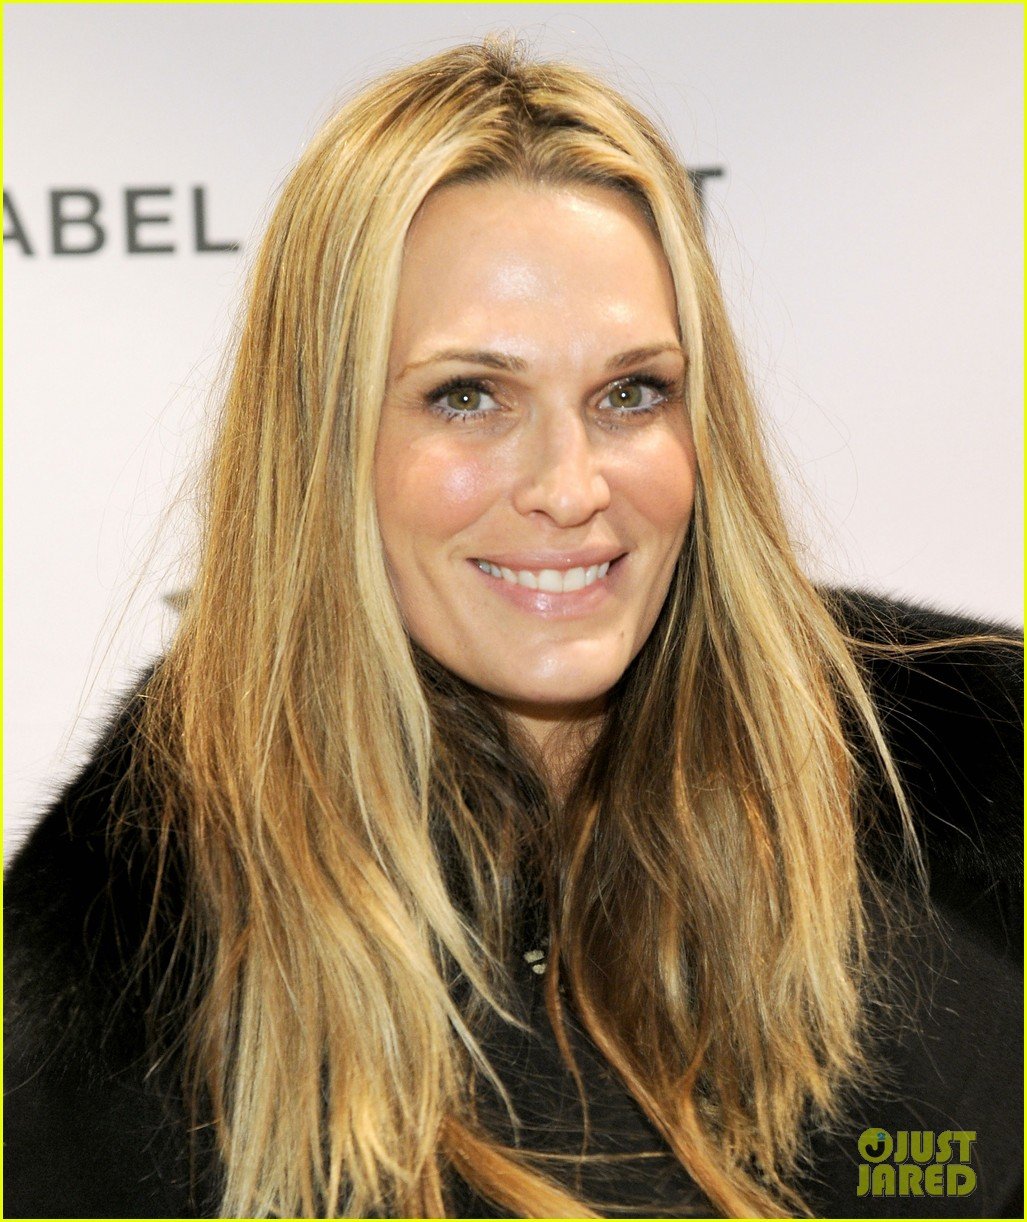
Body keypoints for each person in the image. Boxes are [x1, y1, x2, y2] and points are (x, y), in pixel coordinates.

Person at [4, 36, 1022, 1221]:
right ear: (321, 441)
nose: (569, 486)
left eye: (630, 393)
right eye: (468, 396)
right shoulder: (126, 973)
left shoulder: (957, 798)